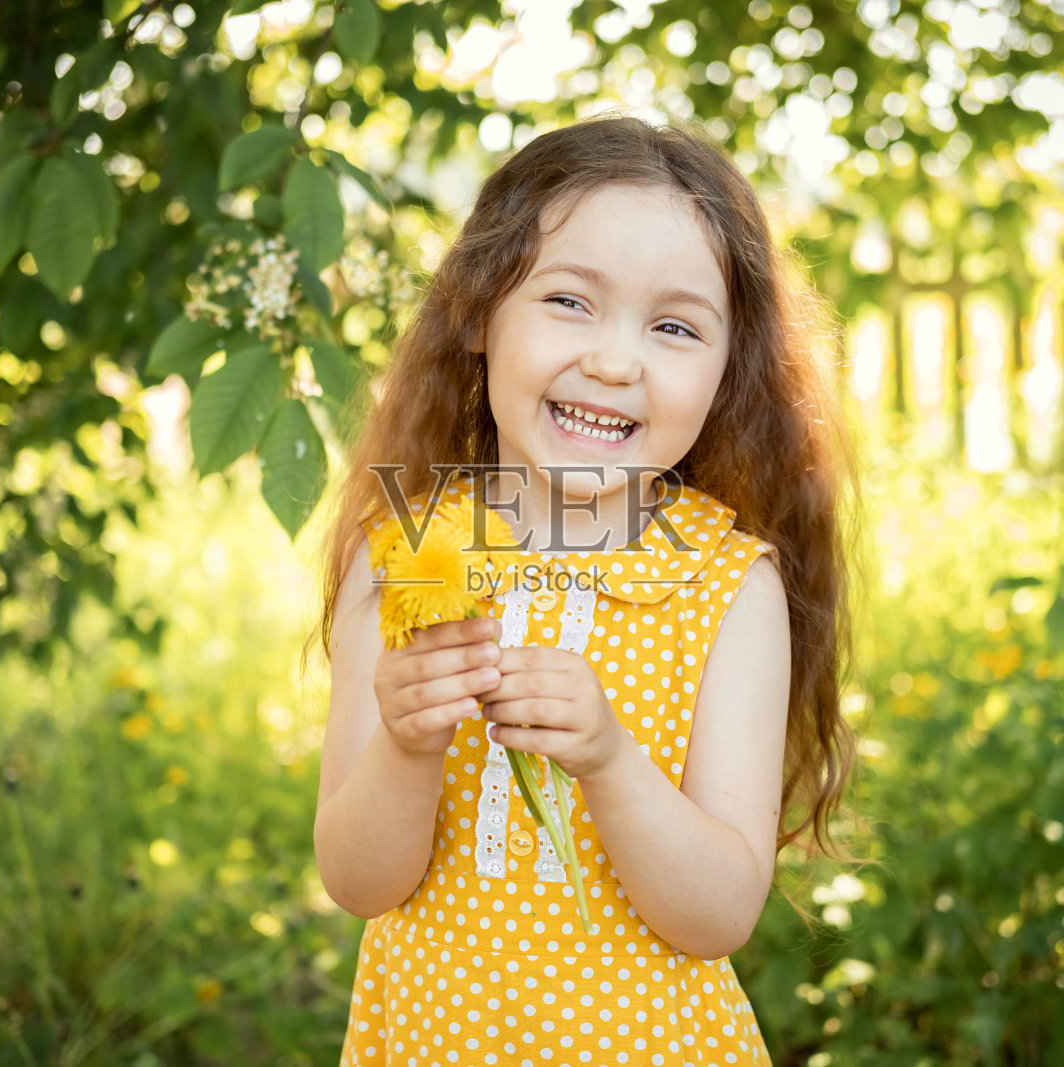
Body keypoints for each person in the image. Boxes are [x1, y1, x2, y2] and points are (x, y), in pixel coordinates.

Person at [304, 112, 861, 1066]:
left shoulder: (727, 588)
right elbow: (357, 881)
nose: (615, 359)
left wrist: (610, 760)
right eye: (570, 300)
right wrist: (406, 743)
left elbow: (719, 914)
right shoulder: (407, 551)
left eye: (675, 326)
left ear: (729, 372)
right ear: (479, 313)